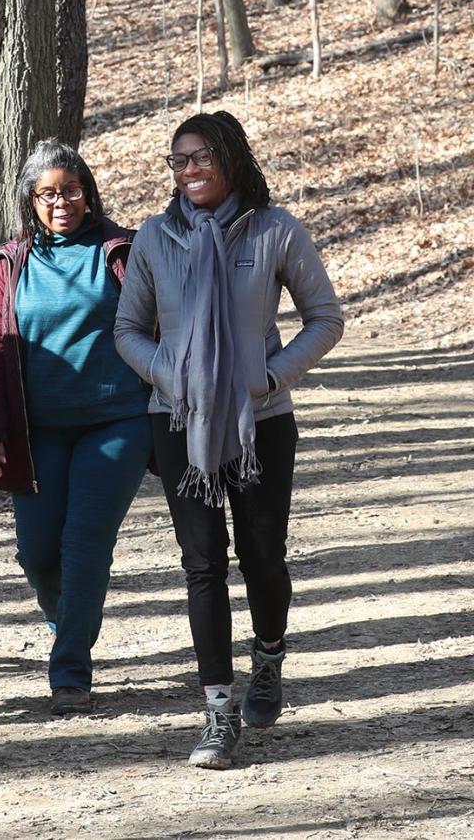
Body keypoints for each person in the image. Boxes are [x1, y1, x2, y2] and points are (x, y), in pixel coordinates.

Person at [114, 110, 344, 769]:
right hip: (178, 420)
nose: (188, 170)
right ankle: (218, 711)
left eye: (200, 157)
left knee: (263, 556)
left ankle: (268, 656)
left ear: (231, 160)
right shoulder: (156, 239)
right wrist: (170, 377)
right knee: (202, 562)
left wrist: (270, 377)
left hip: (259, 423)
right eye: (178, 160)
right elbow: (128, 330)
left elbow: (325, 318)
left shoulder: (274, 231)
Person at [0, 138, 152, 716]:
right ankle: (68, 622)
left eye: (71, 190)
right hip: (38, 430)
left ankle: (70, 668)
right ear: (30, 200)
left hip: (116, 419)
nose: (61, 202)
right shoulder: (12, 264)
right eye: (47, 193)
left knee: (84, 540)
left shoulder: (121, 251)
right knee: (36, 552)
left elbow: (159, 325)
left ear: (88, 192)